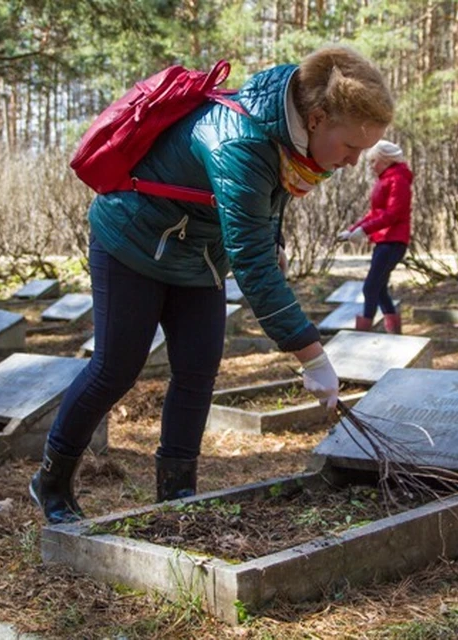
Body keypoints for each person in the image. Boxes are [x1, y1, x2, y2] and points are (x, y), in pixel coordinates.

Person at [30, 47, 393, 525]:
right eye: (350, 148)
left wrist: (275, 236)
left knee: (199, 368)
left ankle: (177, 496)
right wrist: (311, 354)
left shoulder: (289, 127)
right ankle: (51, 482)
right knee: (115, 367)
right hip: (132, 240)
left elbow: (269, 195)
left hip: (196, 251)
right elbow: (253, 264)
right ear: (319, 117)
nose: (352, 161)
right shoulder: (239, 140)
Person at [336, 140, 412, 334]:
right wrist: (354, 230)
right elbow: (375, 213)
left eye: (373, 161)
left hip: (393, 241)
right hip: (384, 240)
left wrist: (365, 230)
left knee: (371, 287)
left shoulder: (398, 180)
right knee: (379, 288)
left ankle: (363, 332)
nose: (371, 166)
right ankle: (394, 333)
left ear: (386, 160)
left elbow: (393, 214)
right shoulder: (386, 179)